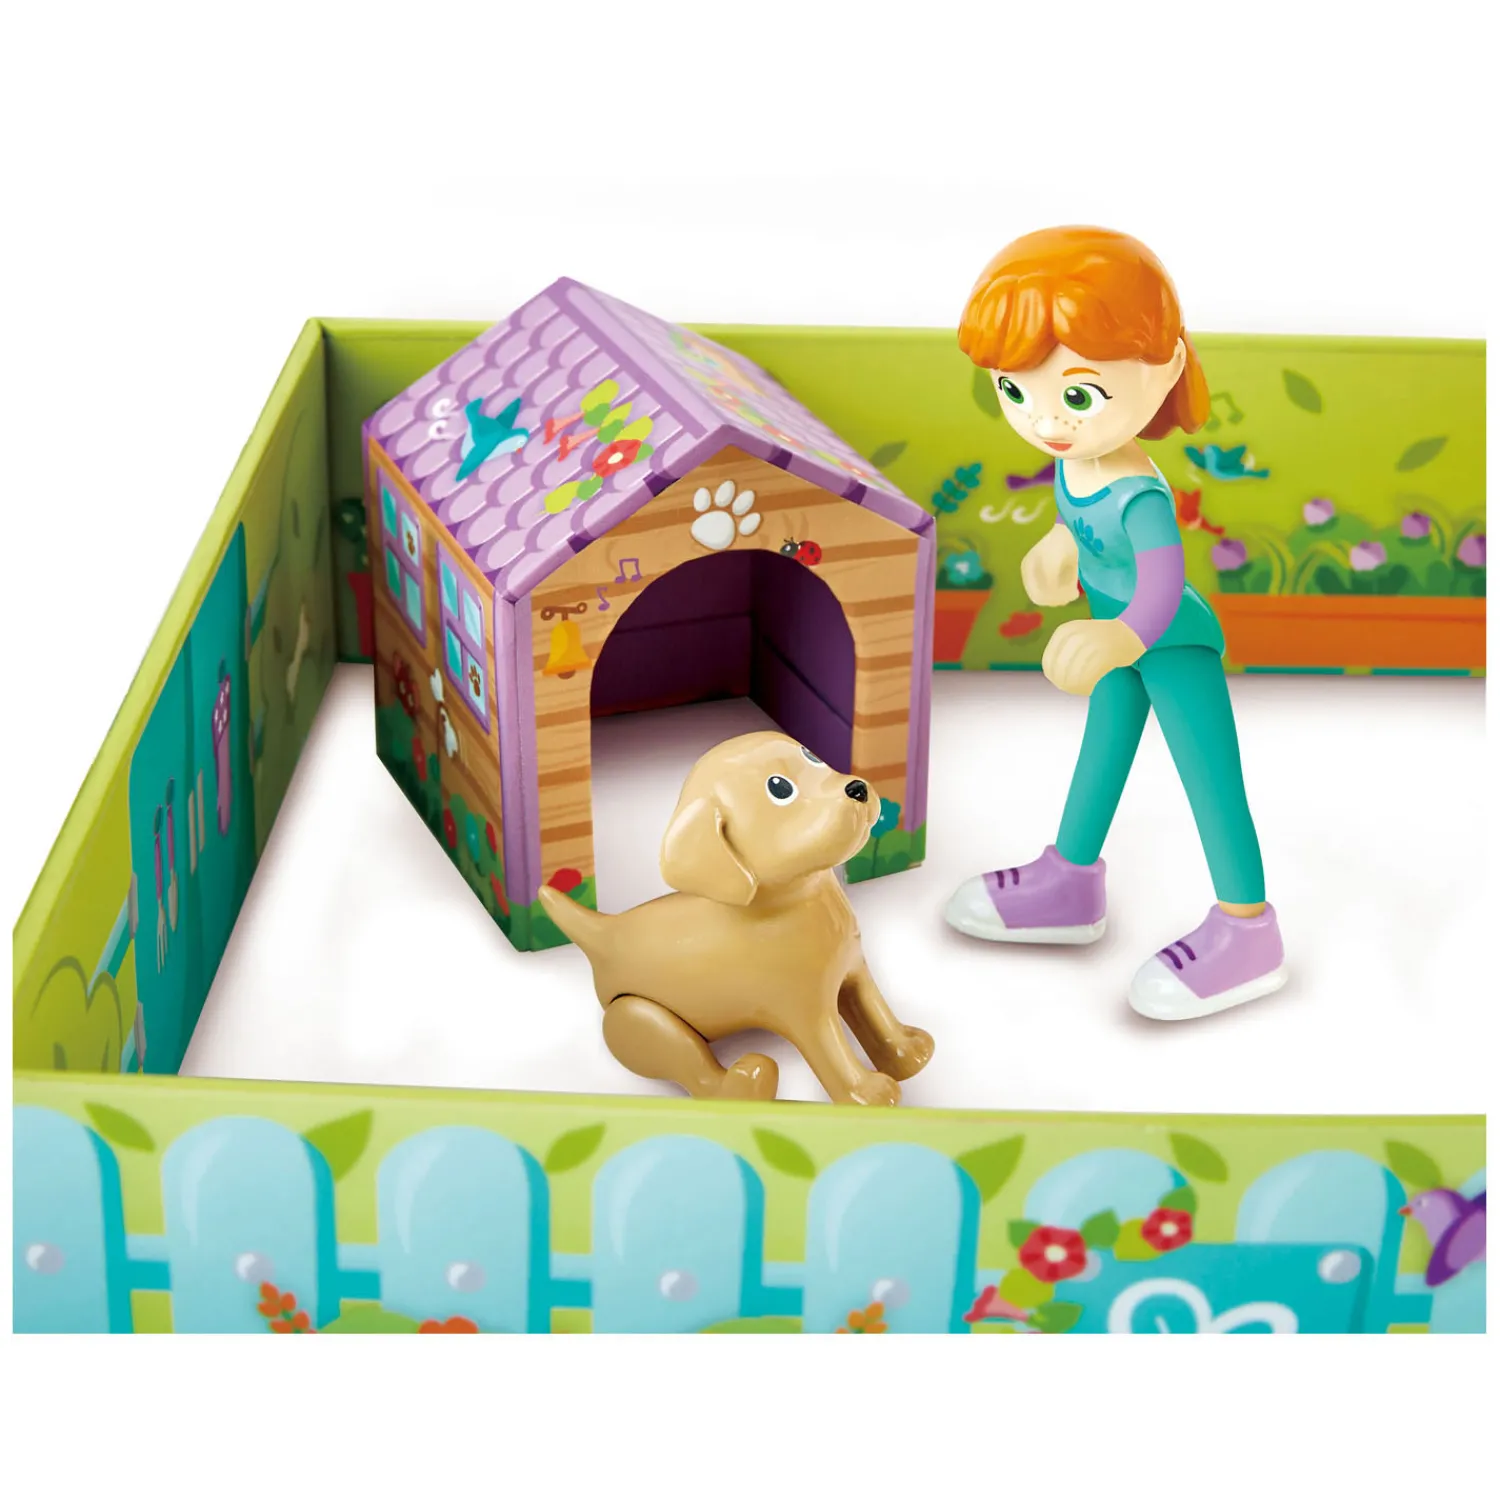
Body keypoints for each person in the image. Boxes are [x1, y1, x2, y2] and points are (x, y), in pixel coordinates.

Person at [944, 225, 1286, 1020]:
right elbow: (1081, 525)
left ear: (1163, 370)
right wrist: (1058, 548)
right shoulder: (1075, 463)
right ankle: (1070, 882)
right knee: (1102, 754)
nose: (1046, 421)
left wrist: (1120, 635)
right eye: (1014, 391)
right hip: (1118, 639)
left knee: (1212, 781)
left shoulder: (1140, 492)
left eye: (1076, 396)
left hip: (1170, 645)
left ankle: (1249, 931)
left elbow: (1161, 585)